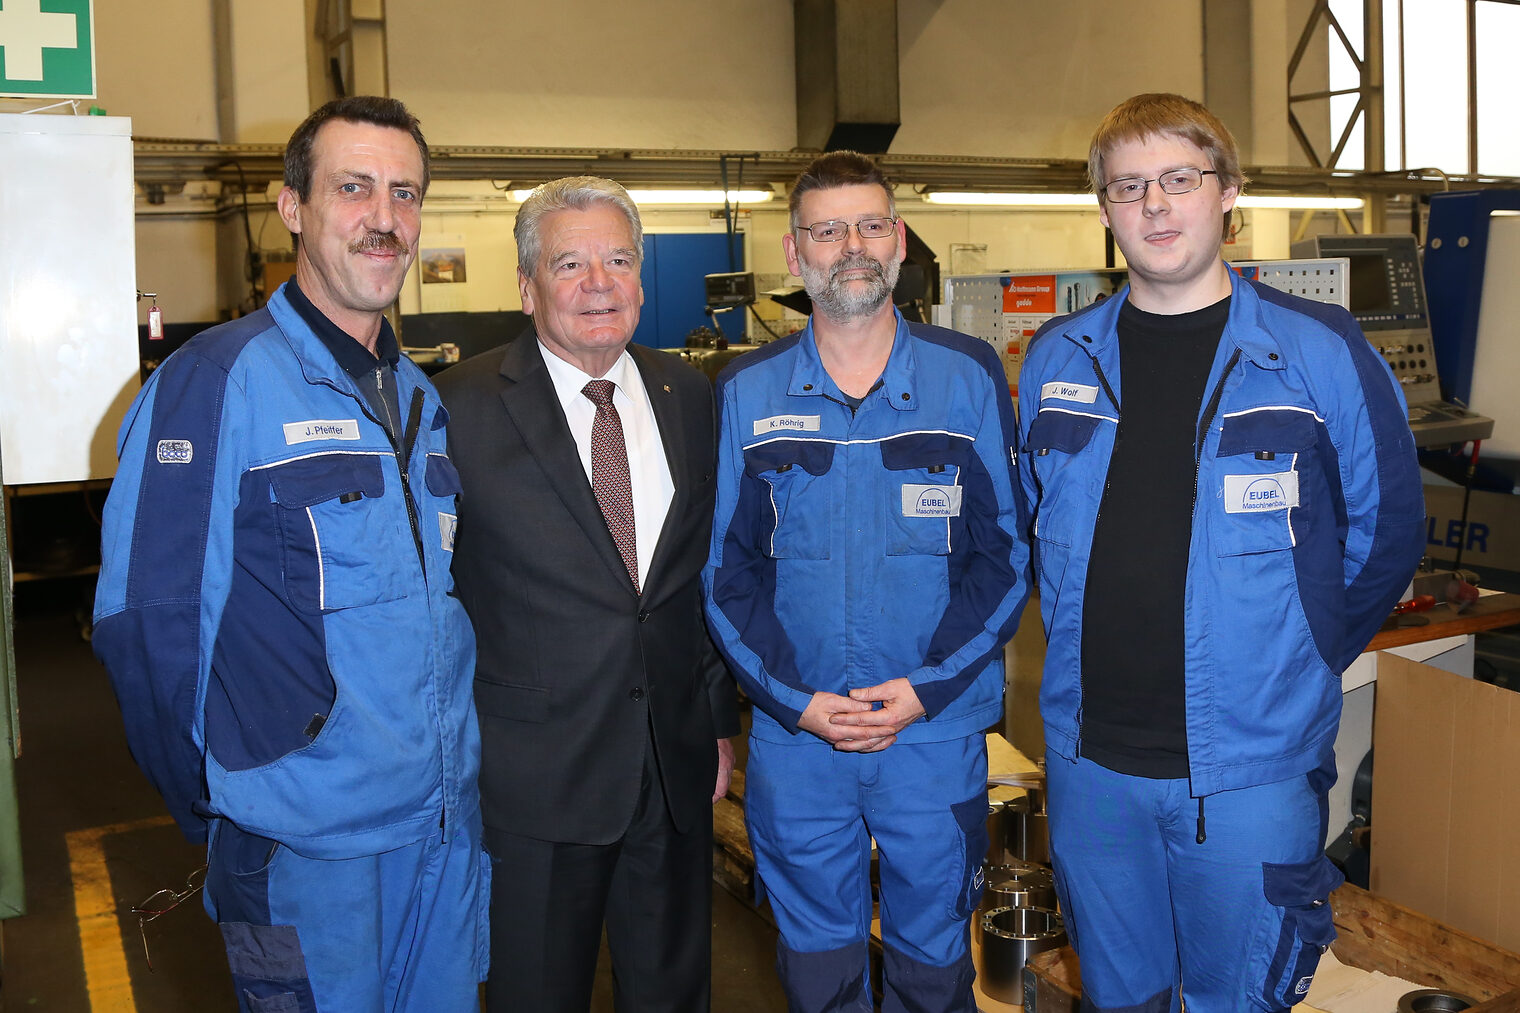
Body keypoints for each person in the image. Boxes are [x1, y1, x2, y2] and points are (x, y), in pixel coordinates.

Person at [1017, 92, 1426, 1013]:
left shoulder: (1319, 353)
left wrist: (1312, 650)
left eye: (1179, 179)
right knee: (1121, 1000)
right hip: (1093, 766)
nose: (1155, 204)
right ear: (1106, 208)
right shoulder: (1057, 358)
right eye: (1130, 186)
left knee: (1235, 1000)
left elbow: (1391, 528)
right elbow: (1035, 526)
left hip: (1249, 767)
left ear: (1228, 192)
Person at [92, 96, 485, 1012]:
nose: (383, 218)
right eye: (353, 188)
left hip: (439, 832)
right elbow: (146, 626)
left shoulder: (420, 395)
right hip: (307, 855)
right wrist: (222, 797)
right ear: (293, 207)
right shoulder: (216, 382)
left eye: (404, 193)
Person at [703, 151, 1030, 1012]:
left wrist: (924, 691)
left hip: (931, 733)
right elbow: (723, 574)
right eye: (828, 229)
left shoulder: (965, 379)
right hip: (799, 737)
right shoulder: (745, 390)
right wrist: (795, 699)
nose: (852, 245)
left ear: (900, 240)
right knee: (817, 966)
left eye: (871, 224)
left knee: (932, 963)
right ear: (794, 251)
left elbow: (1006, 556)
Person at [435, 175, 739, 1013]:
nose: (598, 283)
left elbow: (694, 580)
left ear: (642, 277)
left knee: (672, 992)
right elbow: (435, 594)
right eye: (570, 263)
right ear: (528, 286)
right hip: (535, 776)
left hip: (669, 767)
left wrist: (715, 723)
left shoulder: (688, 395)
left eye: (617, 259)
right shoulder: (458, 408)